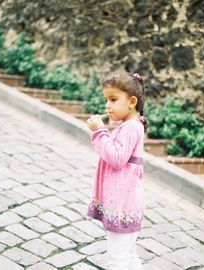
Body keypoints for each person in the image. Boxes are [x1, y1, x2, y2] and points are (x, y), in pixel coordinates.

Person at [86, 69, 147, 270]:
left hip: (123, 206)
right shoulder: (131, 126)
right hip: (126, 204)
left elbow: (116, 158)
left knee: (117, 261)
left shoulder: (130, 128)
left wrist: (99, 132)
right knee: (128, 256)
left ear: (131, 102)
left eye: (113, 99)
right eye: (106, 100)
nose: (107, 105)